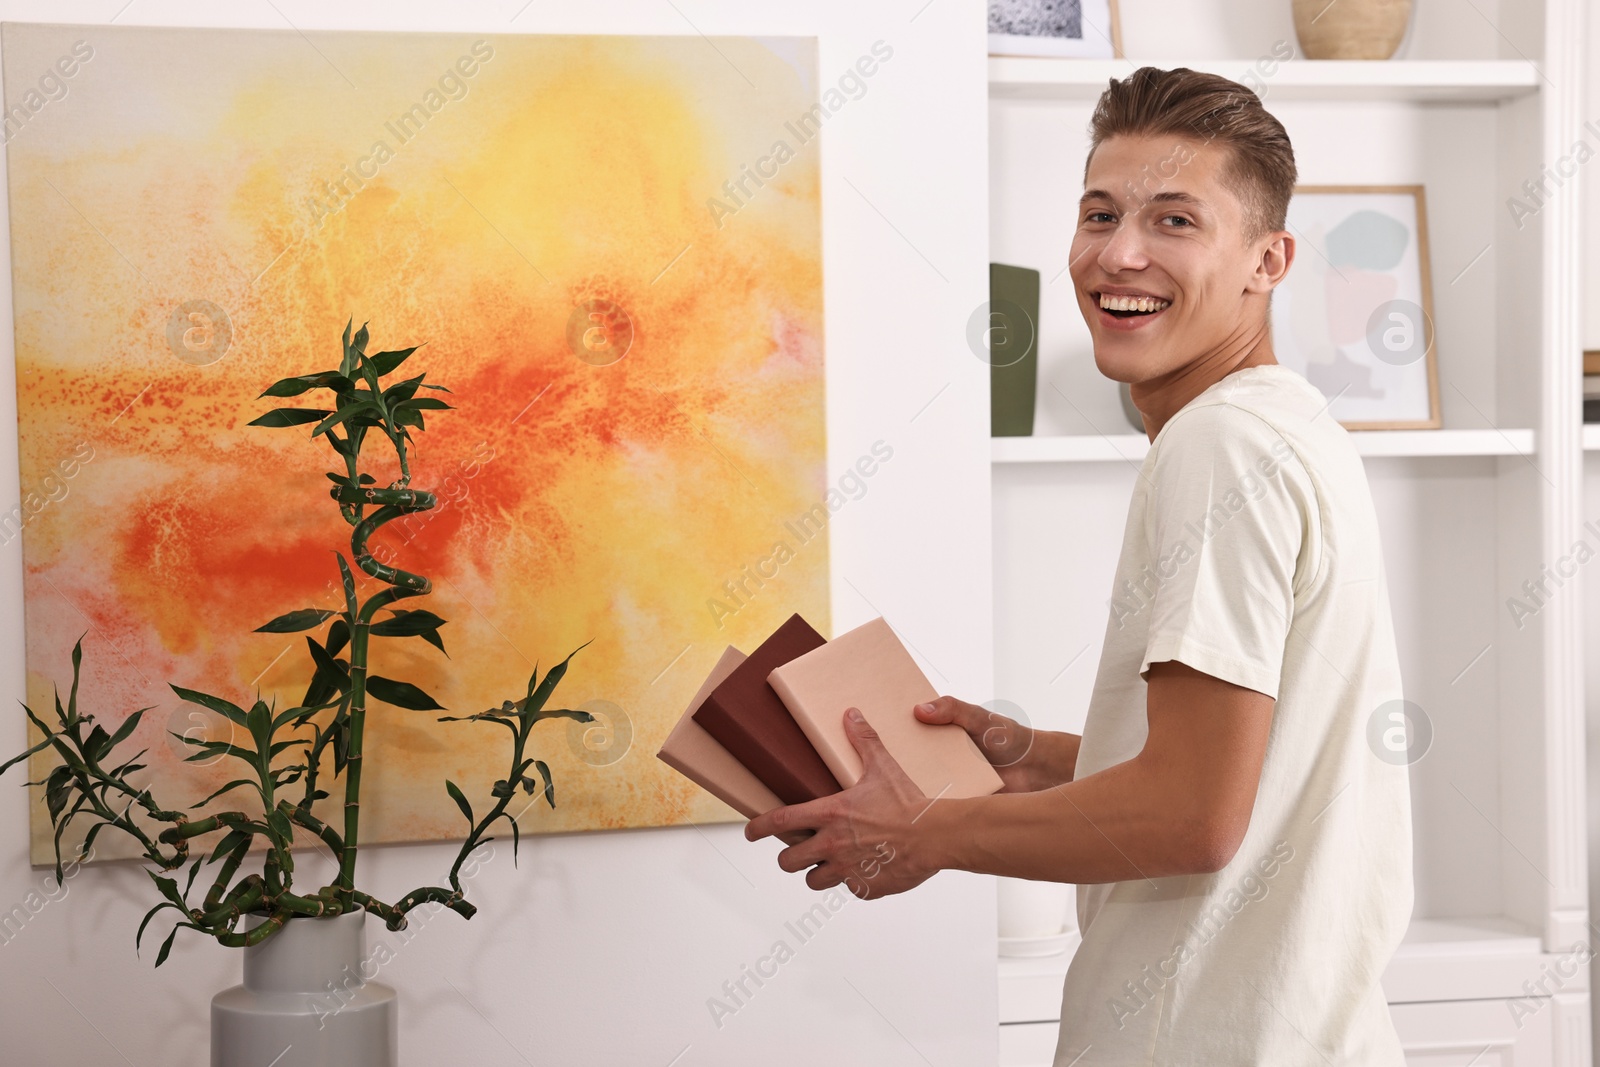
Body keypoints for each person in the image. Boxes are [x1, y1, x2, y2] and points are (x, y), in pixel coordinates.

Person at [743, 65, 1414, 1065]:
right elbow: (1247, 767)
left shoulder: (1217, 448)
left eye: (1174, 220)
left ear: (1266, 260)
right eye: (1099, 213)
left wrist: (930, 829)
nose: (1119, 253)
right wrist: (1037, 758)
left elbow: (1191, 816)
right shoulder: (1289, 426)